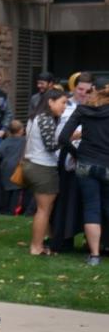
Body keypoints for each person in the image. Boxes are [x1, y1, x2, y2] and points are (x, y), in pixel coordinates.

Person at [60, 74, 109, 266]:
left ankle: (94, 255)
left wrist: (77, 154)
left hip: (85, 163)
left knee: (91, 208)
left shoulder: (83, 110)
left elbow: (63, 138)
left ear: (93, 90)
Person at [22, 89, 68, 255]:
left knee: (45, 208)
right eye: (62, 102)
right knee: (44, 209)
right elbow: (51, 145)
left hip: (32, 165)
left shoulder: (35, 117)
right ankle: (36, 247)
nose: (64, 106)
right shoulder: (46, 119)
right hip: (42, 167)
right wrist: (71, 137)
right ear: (50, 102)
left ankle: (44, 243)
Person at [0, 120, 27, 216]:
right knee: (16, 190)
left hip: (6, 168)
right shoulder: (25, 141)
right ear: (21, 130)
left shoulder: (6, 141)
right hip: (18, 168)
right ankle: (13, 211)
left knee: (6, 190)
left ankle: (5, 210)